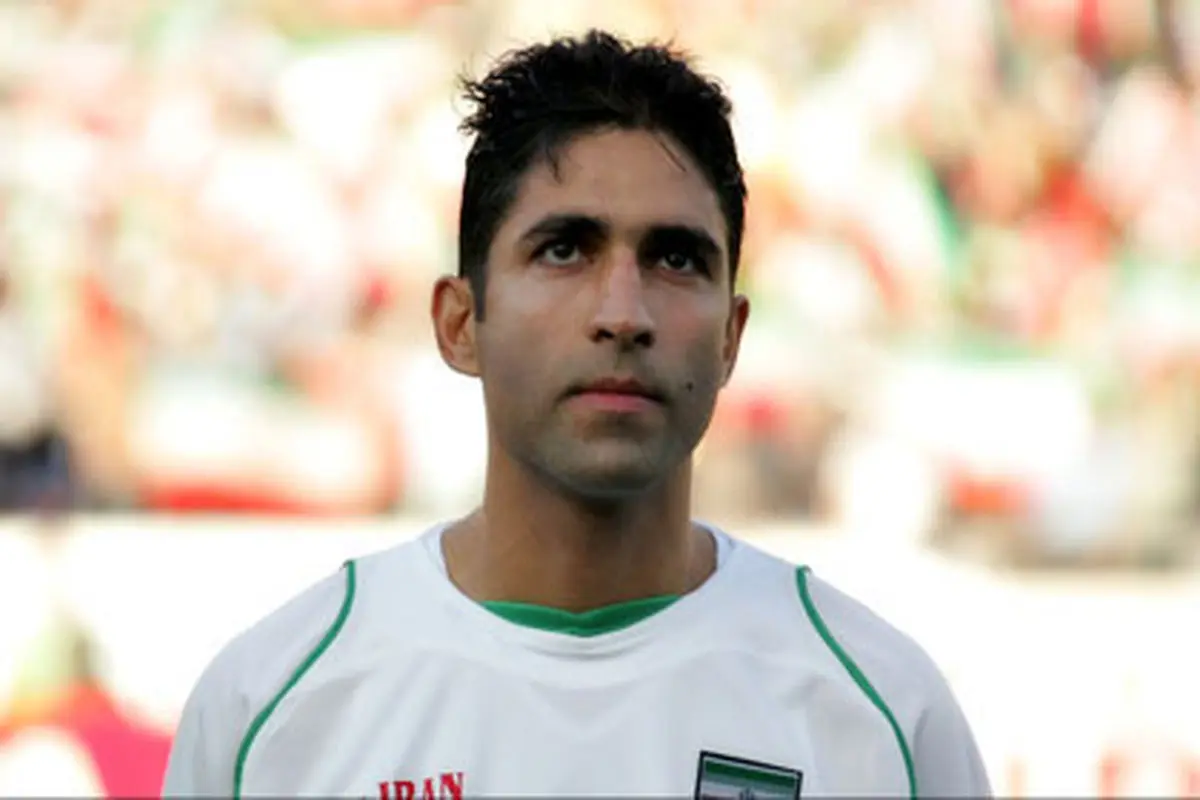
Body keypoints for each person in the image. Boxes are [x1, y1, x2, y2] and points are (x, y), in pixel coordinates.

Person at [162, 30, 992, 799]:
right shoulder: (273, 709)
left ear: (731, 338)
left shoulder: (884, 719)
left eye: (676, 258)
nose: (623, 313)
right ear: (460, 323)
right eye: (564, 250)